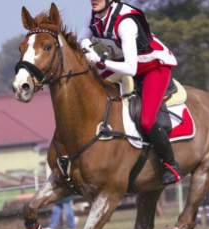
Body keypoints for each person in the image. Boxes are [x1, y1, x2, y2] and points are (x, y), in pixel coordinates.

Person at [78, 0, 182, 185]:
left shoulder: (126, 22)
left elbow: (131, 69)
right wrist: (86, 45)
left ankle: (170, 164)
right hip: (121, 64)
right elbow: (82, 39)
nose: (93, 0)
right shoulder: (93, 14)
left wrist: (100, 60)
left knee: (147, 120)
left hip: (152, 67)